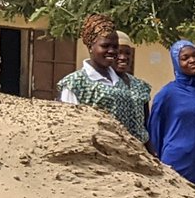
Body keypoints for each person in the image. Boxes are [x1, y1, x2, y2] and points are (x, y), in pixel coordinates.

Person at [147, 39, 195, 194]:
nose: (192, 60)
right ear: (176, 63)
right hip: (177, 165)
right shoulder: (167, 94)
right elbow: (155, 132)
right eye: (185, 58)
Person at [58, 13, 150, 143]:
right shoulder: (75, 83)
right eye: (105, 46)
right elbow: (68, 127)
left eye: (115, 46)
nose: (112, 51)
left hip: (131, 156)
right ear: (90, 47)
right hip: (97, 158)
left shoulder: (121, 81)